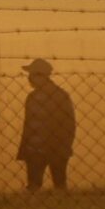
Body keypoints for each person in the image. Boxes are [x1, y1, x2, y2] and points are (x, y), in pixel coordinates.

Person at [17, 58, 76, 191]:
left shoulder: (60, 96)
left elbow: (68, 124)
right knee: (35, 185)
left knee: (58, 183)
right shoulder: (32, 97)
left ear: (40, 76)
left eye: (31, 75)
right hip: (34, 149)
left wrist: (64, 145)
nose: (29, 78)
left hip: (55, 147)